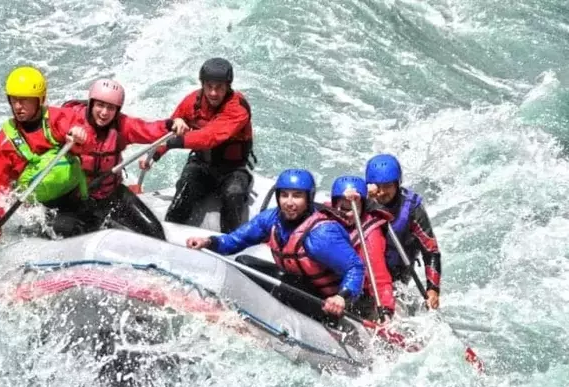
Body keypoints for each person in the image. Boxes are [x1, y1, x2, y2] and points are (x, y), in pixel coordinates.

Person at [186, 169, 364, 320]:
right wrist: (208, 242)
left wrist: (341, 298)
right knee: (244, 263)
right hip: (298, 283)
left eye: (297, 196)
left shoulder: (322, 235)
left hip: (324, 302)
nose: (289, 202)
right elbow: (235, 241)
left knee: (282, 289)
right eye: (284, 195)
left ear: (308, 199)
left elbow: (355, 267)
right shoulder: (271, 219)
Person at [62, 79, 189, 240]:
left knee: (155, 233)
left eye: (110, 108)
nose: (104, 113)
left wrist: (171, 124)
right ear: (91, 104)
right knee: (72, 232)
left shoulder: (122, 125)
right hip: (76, 200)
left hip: (111, 194)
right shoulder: (70, 119)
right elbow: (46, 128)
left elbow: (147, 129)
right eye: (100, 105)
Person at [142, 58, 255, 233]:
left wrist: (175, 143)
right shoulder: (192, 101)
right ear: (202, 84)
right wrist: (154, 155)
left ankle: (230, 243)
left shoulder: (238, 108)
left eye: (219, 87)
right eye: (209, 86)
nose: (213, 93)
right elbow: (171, 131)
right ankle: (167, 238)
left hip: (233, 169)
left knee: (233, 194)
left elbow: (210, 137)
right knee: (184, 190)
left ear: (228, 87)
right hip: (202, 164)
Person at [0, 66, 88, 242]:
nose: (17, 106)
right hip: (41, 214)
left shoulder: (58, 119)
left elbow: (83, 137)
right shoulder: (0, 145)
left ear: (40, 99)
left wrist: (79, 134)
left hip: (76, 198)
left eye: (24, 100)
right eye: (13, 100)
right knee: (71, 227)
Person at [365, 154, 441, 309]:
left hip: (397, 275)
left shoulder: (412, 209)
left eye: (387, 186)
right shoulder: (361, 202)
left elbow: (430, 250)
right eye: (377, 186)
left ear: (397, 184)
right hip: (366, 271)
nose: (381, 192)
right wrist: (363, 199)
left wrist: (433, 290)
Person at [329, 175, 396, 320]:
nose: (348, 214)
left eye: (353, 208)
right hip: (330, 285)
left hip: (361, 294)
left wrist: (385, 311)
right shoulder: (326, 217)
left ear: (362, 208)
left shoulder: (370, 237)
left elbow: (380, 280)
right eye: (343, 208)